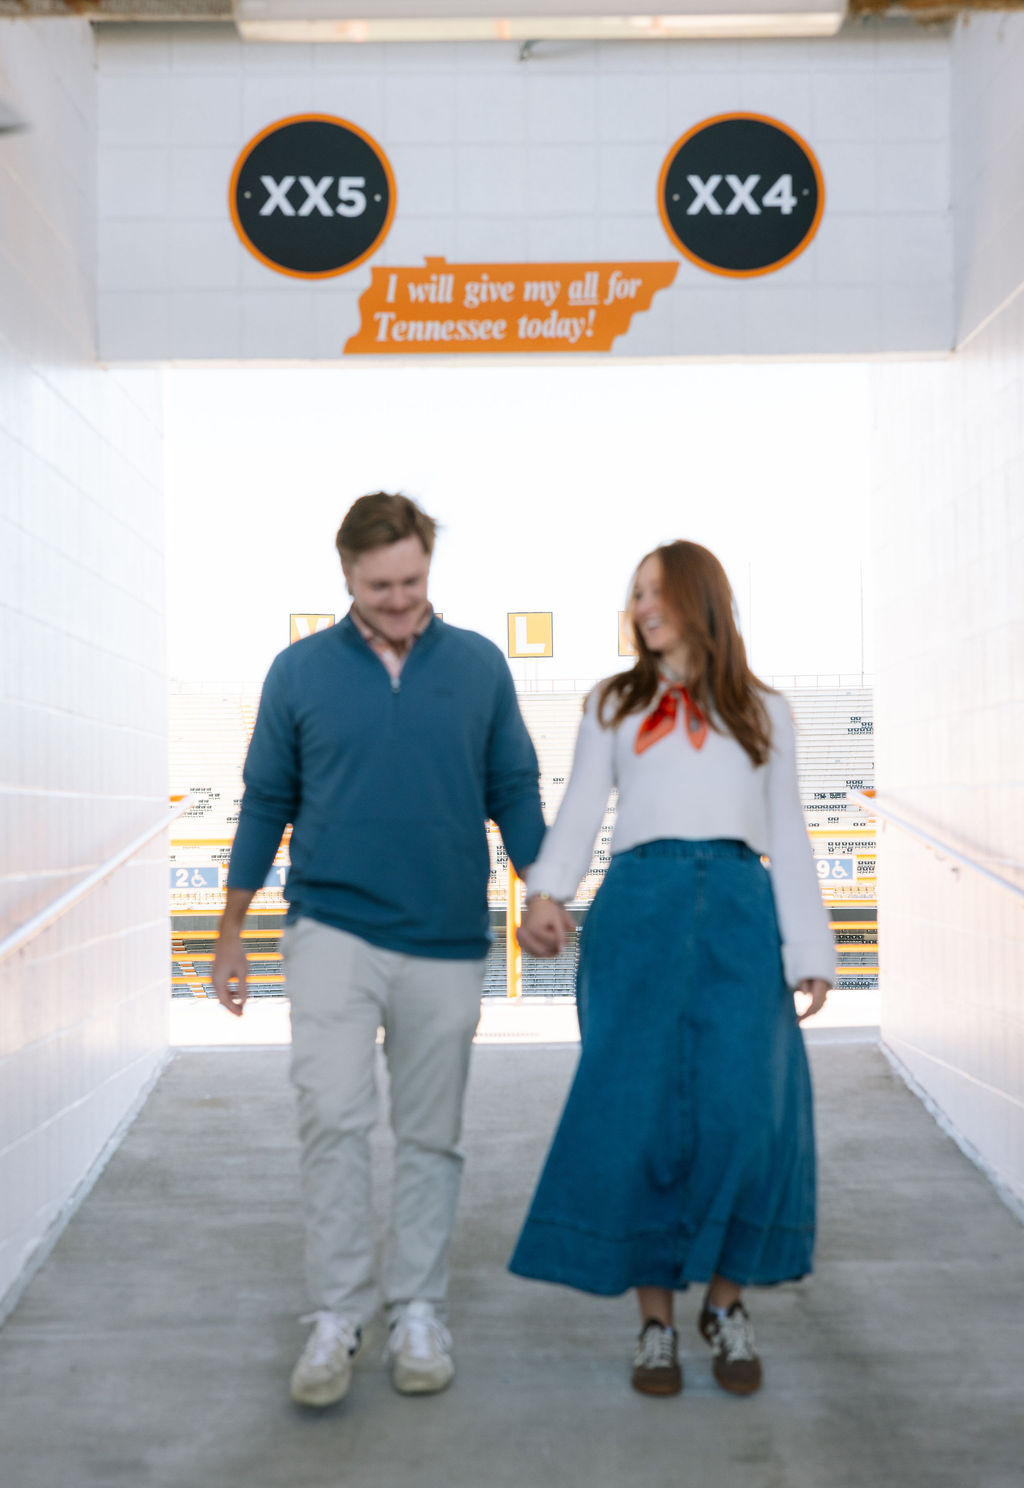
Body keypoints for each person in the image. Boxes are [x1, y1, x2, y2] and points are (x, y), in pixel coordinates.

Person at [212, 493, 545, 1409]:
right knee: (332, 1117)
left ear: (428, 568)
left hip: (443, 940)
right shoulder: (300, 673)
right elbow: (263, 800)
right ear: (346, 579)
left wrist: (542, 885)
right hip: (330, 930)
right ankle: (335, 1317)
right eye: (379, 585)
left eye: (412, 581)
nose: (400, 600)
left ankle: (418, 1313)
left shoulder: (477, 666)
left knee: (430, 1138)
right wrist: (231, 929)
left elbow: (513, 785)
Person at [510, 540, 831, 1399]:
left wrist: (809, 949)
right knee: (638, 1116)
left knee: (745, 1115)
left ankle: (725, 1307)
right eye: (637, 592)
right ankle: (655, 1323)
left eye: (659, 591)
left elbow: (789, 832)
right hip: (638, 912)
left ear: (700, 598)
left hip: (736, 906)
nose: (644, 604)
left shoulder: (766, 709)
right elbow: (579, 810)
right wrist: (546, 894)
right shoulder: (613, 705)